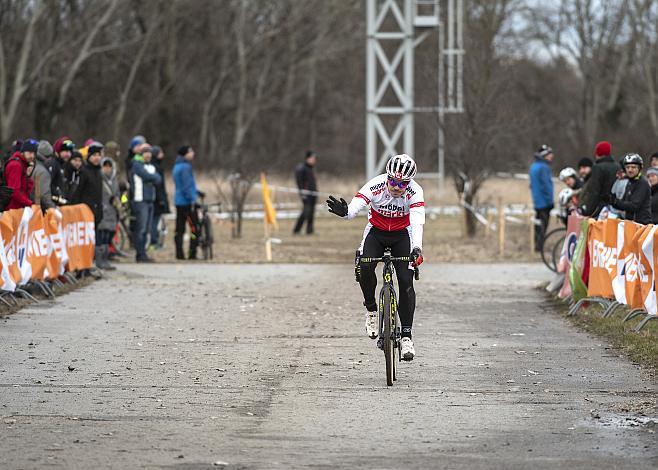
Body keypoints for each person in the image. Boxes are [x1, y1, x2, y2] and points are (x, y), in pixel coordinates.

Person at [326, 154, 425, 361]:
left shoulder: (415, 192)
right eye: (394, 181)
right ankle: (371, 310)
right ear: (387, 177)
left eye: (403, 183)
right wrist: (345, 212)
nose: (397, 187)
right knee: (364, 266)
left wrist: (416, 248)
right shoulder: (376, 185)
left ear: (410, 182)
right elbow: (354, 209)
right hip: (376, 233)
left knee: (406, 282)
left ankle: (406, 336)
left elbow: (417, 222)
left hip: (402, 235)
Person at [71, 141, 105, 268]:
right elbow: (78, 192)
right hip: (85, 211)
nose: (97, 158)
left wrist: (100, 209)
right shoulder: (84, 171)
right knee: (85, 240)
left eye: (99, 155)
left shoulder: (98, 172)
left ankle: (95, 261)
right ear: (89, 156)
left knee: (94, 237)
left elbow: (99, 193)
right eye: (94, 155)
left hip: (96, 211)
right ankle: (85, 264)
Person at [130, 145, 161, 263]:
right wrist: (152, 178)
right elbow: (147, 176)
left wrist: (152, 178)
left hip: (150, 200)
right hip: (140, 200)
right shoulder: (136, 165)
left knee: (147, 229)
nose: (148, 155)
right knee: (141, 228)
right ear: (141, 154)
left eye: (149, 153)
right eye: (145, 153)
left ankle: (143, 253)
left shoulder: (151, 166)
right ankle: (139, 254)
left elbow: (158, 179)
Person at [173, 145, 202, 260]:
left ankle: (179, 253)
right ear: (185, 154)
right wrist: (193, 199)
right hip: (187, 203)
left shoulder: (177, 166)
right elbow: (187, 185)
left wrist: (197, 192)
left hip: (179, 201)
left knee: (179, 229)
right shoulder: (186, 167)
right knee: (195, 228)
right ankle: (192, 253)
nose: (193, 153)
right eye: (190, 151)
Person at [608, 153, 651, 225]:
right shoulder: (630, 182)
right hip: (630, 224)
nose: (630, 170)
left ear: (639, 168)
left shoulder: (642, 183)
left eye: (633, 167)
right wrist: (612, 201)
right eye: (627, 167)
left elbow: (634, 206)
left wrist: (616, 202)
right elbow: (624, 204)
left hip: (641, 225)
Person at [578, 141, 618, 218]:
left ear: (598, 153)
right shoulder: (617, 166)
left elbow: (594, 191)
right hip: (615, 207)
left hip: (601, 208)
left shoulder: (598, 168)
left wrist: (587, 210)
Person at [529, 144, 554, 251]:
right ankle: (540, 247)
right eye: (550, 154)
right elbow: (546, 185)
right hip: (544, 202)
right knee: (543, 225)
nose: (552, 156)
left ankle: (537, 245)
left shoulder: (533, 166)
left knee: (538, 225)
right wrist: (550, 201)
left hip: (536, 201)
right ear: (544, 155)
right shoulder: (544, 167)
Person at [97, 157, 120, 270]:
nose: (107, 169)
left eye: (109, 166)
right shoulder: (99, 178)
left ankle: (105, 259)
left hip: (113, 210)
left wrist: (121, 202)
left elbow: (119, 194)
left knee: (109, 235)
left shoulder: (114, 178)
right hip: (103, 210)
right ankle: (100, 260)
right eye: (105, 166)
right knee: (102, 235)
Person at [5, 139, 36, 210]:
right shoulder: (16, 165)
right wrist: (30, 203)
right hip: (12, 210)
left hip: (20, 208)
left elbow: (27, 191)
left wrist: (28, 176)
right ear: (23, 152)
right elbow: (14, 191)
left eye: (34, 153)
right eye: (30, 152)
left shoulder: (23, 165)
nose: (32, 156)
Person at [149, 145, 170, 250]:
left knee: (154, 220)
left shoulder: (152, 166)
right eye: (161, 153)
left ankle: (153, 241)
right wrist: (161, 199)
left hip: (155, 197)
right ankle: (154, 241)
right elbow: (159, 186)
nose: (163, 155)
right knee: (154, 221)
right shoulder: (156, 168)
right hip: (157, 198)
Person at [293, 150, 318, 235]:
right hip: (306, 195)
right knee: (306, 212)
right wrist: (302, 193)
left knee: (311, 212)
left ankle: (309, 230)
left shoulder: (311, 168)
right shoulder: (301, 168)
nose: (314, 160)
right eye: (313, 158)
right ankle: (297, 230)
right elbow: (300, 182)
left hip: (313, 194)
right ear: (308, 158)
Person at [49, 136, 75, 205]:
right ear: (58, 151)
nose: (68, 154)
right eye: (66, 151)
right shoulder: (53, 164)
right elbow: (48, 185)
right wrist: (58, 199)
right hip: (53, 205)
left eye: (70, 152)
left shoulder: (63, 165)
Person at [32, 140, 55, 210]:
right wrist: (53, 208)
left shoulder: (32, 166)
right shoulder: (43, 172)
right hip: (40, 209)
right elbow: (44, 194)